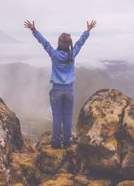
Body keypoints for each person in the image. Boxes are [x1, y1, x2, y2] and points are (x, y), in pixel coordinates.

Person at [24, 20, 96, 149]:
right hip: (69, 90)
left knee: (57, 117)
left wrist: (34, 30)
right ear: (69, 44)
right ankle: (67, 142)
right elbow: (80, 43)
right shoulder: (72, 54)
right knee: (67, 116)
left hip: (56, 90)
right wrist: (87, 31)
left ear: (59, 43)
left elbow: (44, 43)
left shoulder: (54, 54)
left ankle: (56, 143)